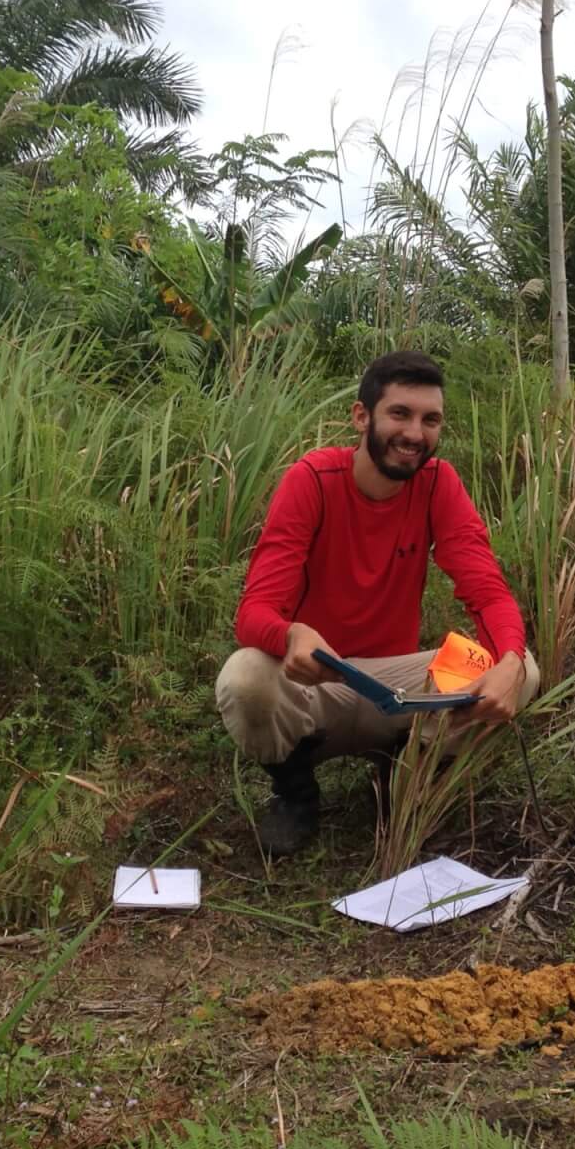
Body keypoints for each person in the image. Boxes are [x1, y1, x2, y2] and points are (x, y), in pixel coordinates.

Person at [216, 350, 541, 856]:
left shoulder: (438, 484)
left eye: (430, 419)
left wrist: (511, 662)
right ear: (362, 416)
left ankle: (407, 770)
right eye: (400, 414)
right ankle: (294, 790)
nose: (415, 433)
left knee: (523, 671)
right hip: (316, 681)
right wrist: (292, 634)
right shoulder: (314, 480)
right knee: (246, 676)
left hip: (395, 690)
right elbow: (255, 611)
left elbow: (487, 590)